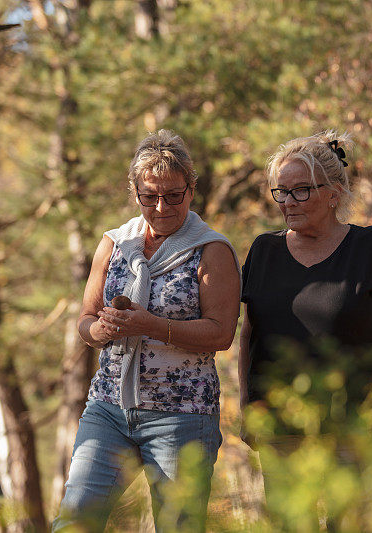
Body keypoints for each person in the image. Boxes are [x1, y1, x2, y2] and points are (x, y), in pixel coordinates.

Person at [52, 130, 241, 532]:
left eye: (174, 195)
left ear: (191, 189)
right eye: (149, 196)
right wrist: (102, 330)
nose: (161, 206)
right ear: (134, 191)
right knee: (74, 523)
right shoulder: (114, 243)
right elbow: (85, 320)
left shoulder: (212, 250)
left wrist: (150, 325)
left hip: (181, 415)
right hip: (108, 408)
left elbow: (221, 333)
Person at [239, 131, 372, 447]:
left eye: (301, 191)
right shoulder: (264, 250)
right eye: (282, 191)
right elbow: (249, 334)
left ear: (334, 193)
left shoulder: (370, 247)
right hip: (279, 428)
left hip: (353, 428)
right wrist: (247, 406)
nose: (288, 202)